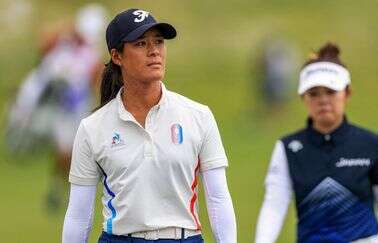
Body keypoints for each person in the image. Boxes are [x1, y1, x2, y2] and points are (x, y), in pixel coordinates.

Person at [62, 8, 237, 243]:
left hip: (184, 237)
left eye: (159, 42)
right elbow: (78, 215)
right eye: (141, 44)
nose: (154, 51)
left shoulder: (199, 116)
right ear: (117, 56)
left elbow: (218, 199)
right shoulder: (92, 128)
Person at [254, 43, 378, 243]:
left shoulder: (371, 144)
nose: (323, 100)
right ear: (303, 98)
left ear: (347, 93)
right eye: (314, 93)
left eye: (330, 91)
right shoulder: (288, 148)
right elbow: (274, 207)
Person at [6, 5, 105, 211]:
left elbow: (93, 86)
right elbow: (41, 54)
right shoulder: (60, 41)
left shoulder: (93, 57)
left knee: (65, 152)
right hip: (43, 98)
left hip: (69, 109)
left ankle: (56, 188)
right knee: (20, 122)